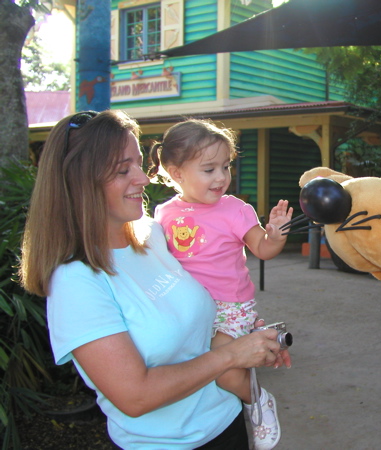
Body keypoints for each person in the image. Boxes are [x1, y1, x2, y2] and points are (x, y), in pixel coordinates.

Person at [19, 109, 290, 449]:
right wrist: (234, 355)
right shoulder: (77, 282)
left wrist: (246, 338)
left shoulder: (155, 234)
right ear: (81, 183)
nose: (144, 179)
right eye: (123, 170)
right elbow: (136, 397)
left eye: (137, 163)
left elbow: (197, 317)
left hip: (226, 422)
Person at [147, 119, 293, 450]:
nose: (221, 177)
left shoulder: (235, 209)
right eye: (209, 169)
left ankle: (258, 400)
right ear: (176, 172)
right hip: (187, 307)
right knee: (189, 365)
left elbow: (263, 249)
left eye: (225, 167)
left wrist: (276, 234)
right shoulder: (164, 213)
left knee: (222, 370)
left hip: (230, 306)